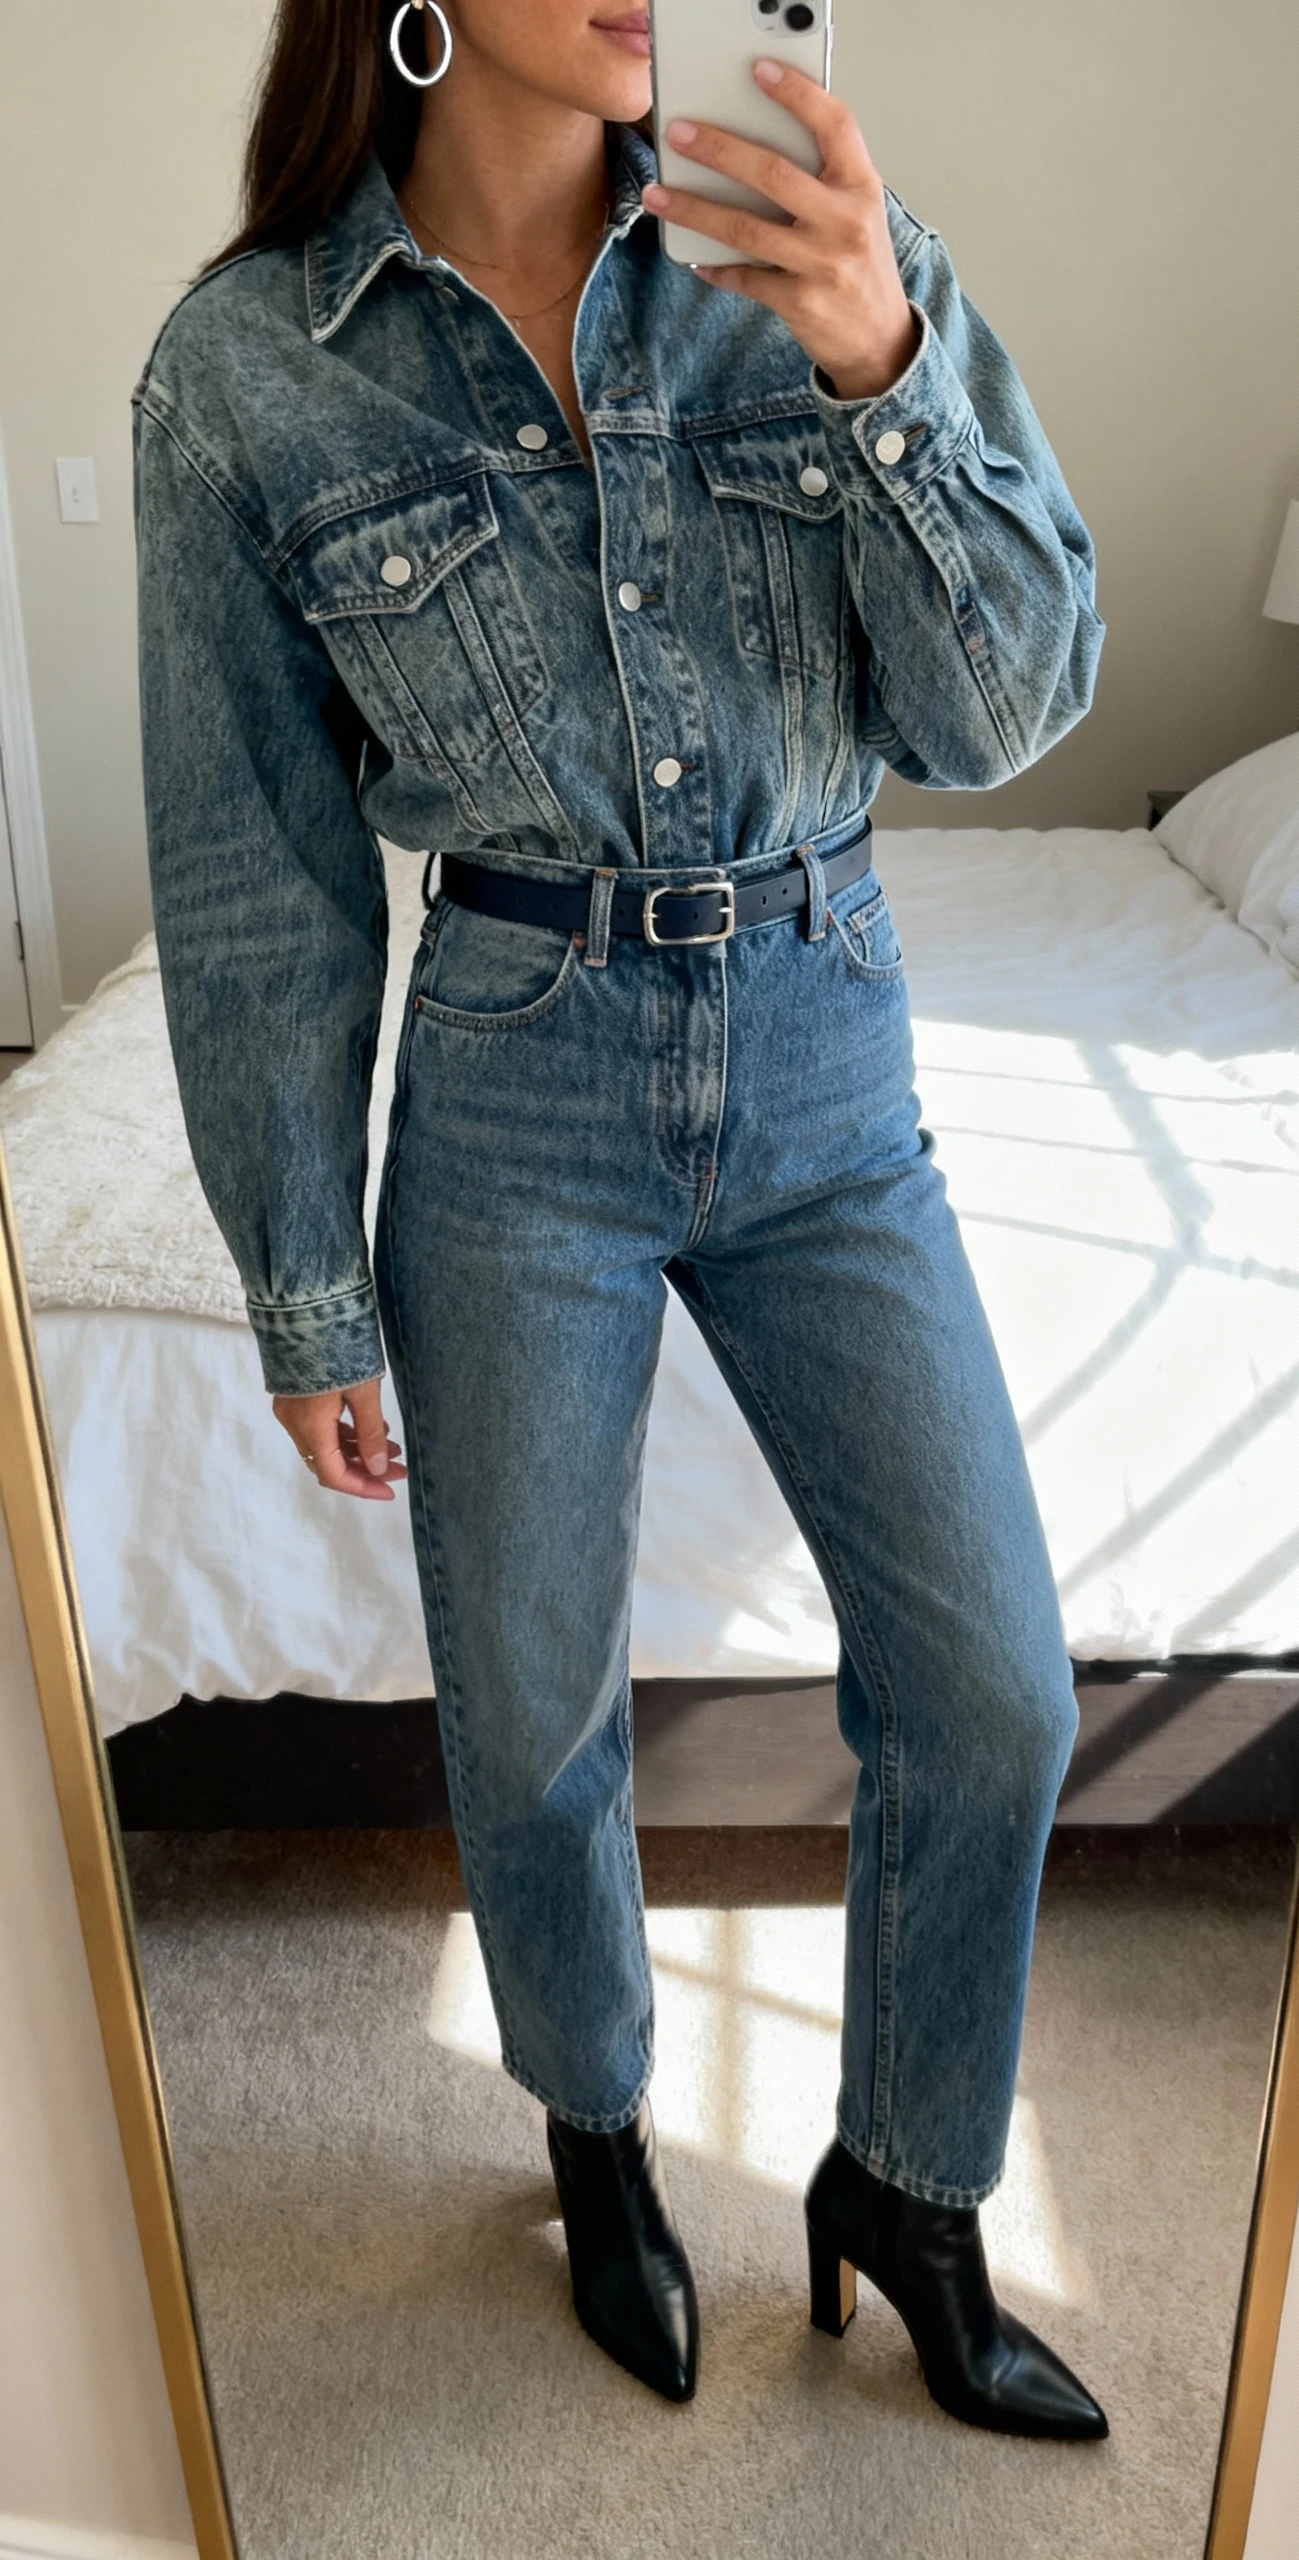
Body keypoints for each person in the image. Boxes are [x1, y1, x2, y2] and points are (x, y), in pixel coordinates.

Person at [134, 0, 1107, 2436]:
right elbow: (257, 878)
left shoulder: (816, 259)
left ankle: (909, 2179)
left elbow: (1011, 706)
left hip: (823, 1027)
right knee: (533, 1701)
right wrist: (297, 1271)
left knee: (993, 1678)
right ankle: (596, 2138)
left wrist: (888, 366)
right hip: (510, 1070)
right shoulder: (248, 371)